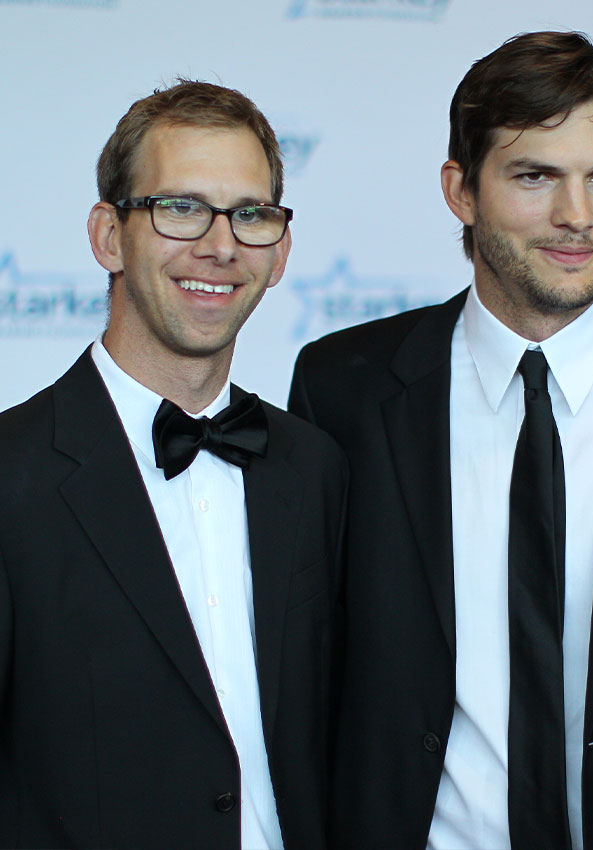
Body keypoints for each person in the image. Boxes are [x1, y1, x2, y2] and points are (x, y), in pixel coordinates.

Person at [289, 31, 593, 850]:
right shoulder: (345, 387)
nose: (576, 216)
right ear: (461, 191)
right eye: (535, 175)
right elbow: (310, 662)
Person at [0, 80, 347, 850]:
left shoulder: (315, 469)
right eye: (181, 208)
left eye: (250, 214)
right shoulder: (11, 477)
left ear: (281, 250)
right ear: (108, 236)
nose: (221, 245)